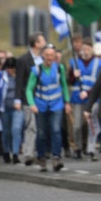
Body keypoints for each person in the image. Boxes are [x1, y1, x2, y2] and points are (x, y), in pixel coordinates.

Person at [25, 43, 71, 172]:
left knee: (56, 130)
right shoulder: (36, 70)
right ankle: (42, 158)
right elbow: (29, 89)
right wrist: (32, 104)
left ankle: (56, 158)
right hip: (41, 105)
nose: (50, 57)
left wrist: (67, 102)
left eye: (52, 55)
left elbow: (64, 86)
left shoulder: (59, 68)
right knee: (41, 133)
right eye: (47, 55)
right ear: (42, 56)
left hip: (57, 104)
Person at [16, 31, 46, 165]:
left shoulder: (45, 59)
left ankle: (40, 152)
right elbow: (19, 81)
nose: (44, 42)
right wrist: (18, 99)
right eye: (42, 40)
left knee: (41, 127)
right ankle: (28, 153)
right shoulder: (23, 60)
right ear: (36, 44)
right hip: (29, 99)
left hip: (44, 97)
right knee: (31, 126)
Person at [67, 38, 101, 160]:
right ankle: (78, 148)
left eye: (88, 49)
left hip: (92, 98)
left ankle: (91, 149)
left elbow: (99, 82)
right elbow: (69, 81)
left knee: (91, 124)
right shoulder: (74, 62)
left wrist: (88, 92)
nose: (85, 51)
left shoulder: (99, 63)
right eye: (83, 49)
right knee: (77, 125)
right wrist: (73, 76)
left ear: (92, 50)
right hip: (77, 98)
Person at [0, 57, 22, 164]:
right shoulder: (1, 76)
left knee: (16, 129)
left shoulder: (19, 77)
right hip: (5, 107)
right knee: (6, 131)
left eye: (12, 68)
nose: (10, 70)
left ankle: (15, 153)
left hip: (17, 107)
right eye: (8, 68)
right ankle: (6, 151)